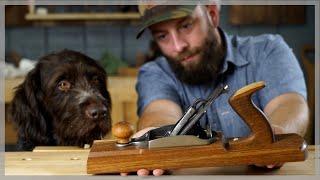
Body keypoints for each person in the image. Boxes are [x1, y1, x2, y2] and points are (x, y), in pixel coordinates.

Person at [124, 1, 309, 176]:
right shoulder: (155, 72)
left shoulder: (268, 50)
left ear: (212, 14)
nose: (178, 46)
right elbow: (158, 111)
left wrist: (273, 136)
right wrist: (155, 135)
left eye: (186, 26)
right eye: (162, 36)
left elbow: (289, 104)